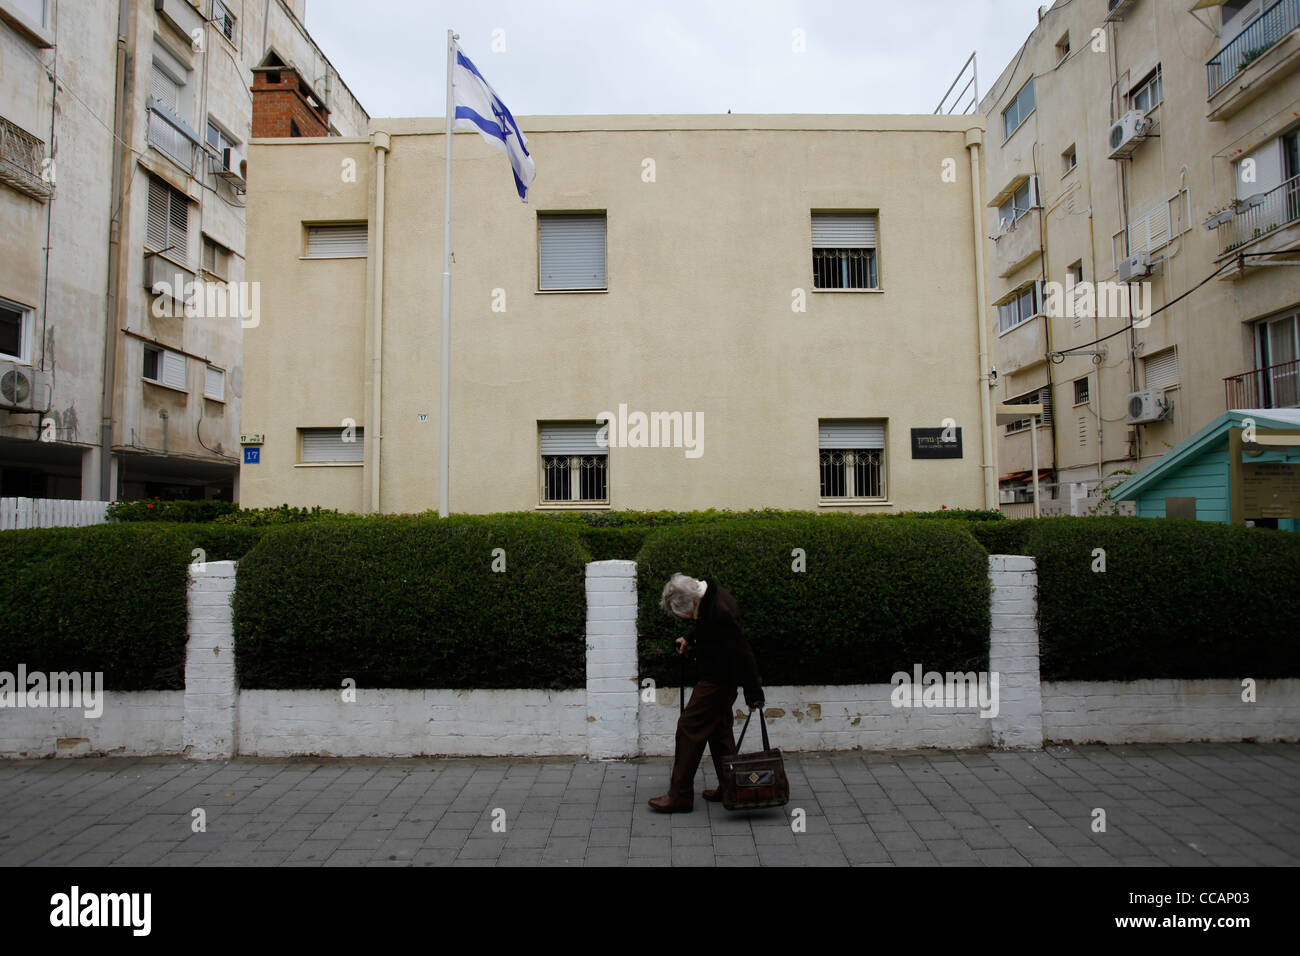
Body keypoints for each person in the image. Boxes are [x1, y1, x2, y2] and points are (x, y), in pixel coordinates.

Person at [648, 573, 764, 813]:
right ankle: (731, 787)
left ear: (692, 602)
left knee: (689, 728)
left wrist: (754, 695)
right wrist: (690, 638)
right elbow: (705, 625)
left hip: (718, 681)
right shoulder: (708, 595)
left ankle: (679, 795)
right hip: (718, 678)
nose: (689, 618)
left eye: (687, 615)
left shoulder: (721, 612)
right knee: (719, 731)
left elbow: (743, 653)